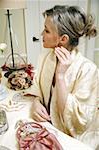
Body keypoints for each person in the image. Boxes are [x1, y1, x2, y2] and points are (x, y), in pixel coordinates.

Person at [29, 5, 99, 149]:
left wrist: (60, 76)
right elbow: (37, 86)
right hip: (46, 128)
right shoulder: (45, 57)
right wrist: (36, 101)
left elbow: (79, 122)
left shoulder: (88, 70)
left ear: (63, 38)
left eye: (47, 30)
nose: (41, 34)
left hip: (74, 141)